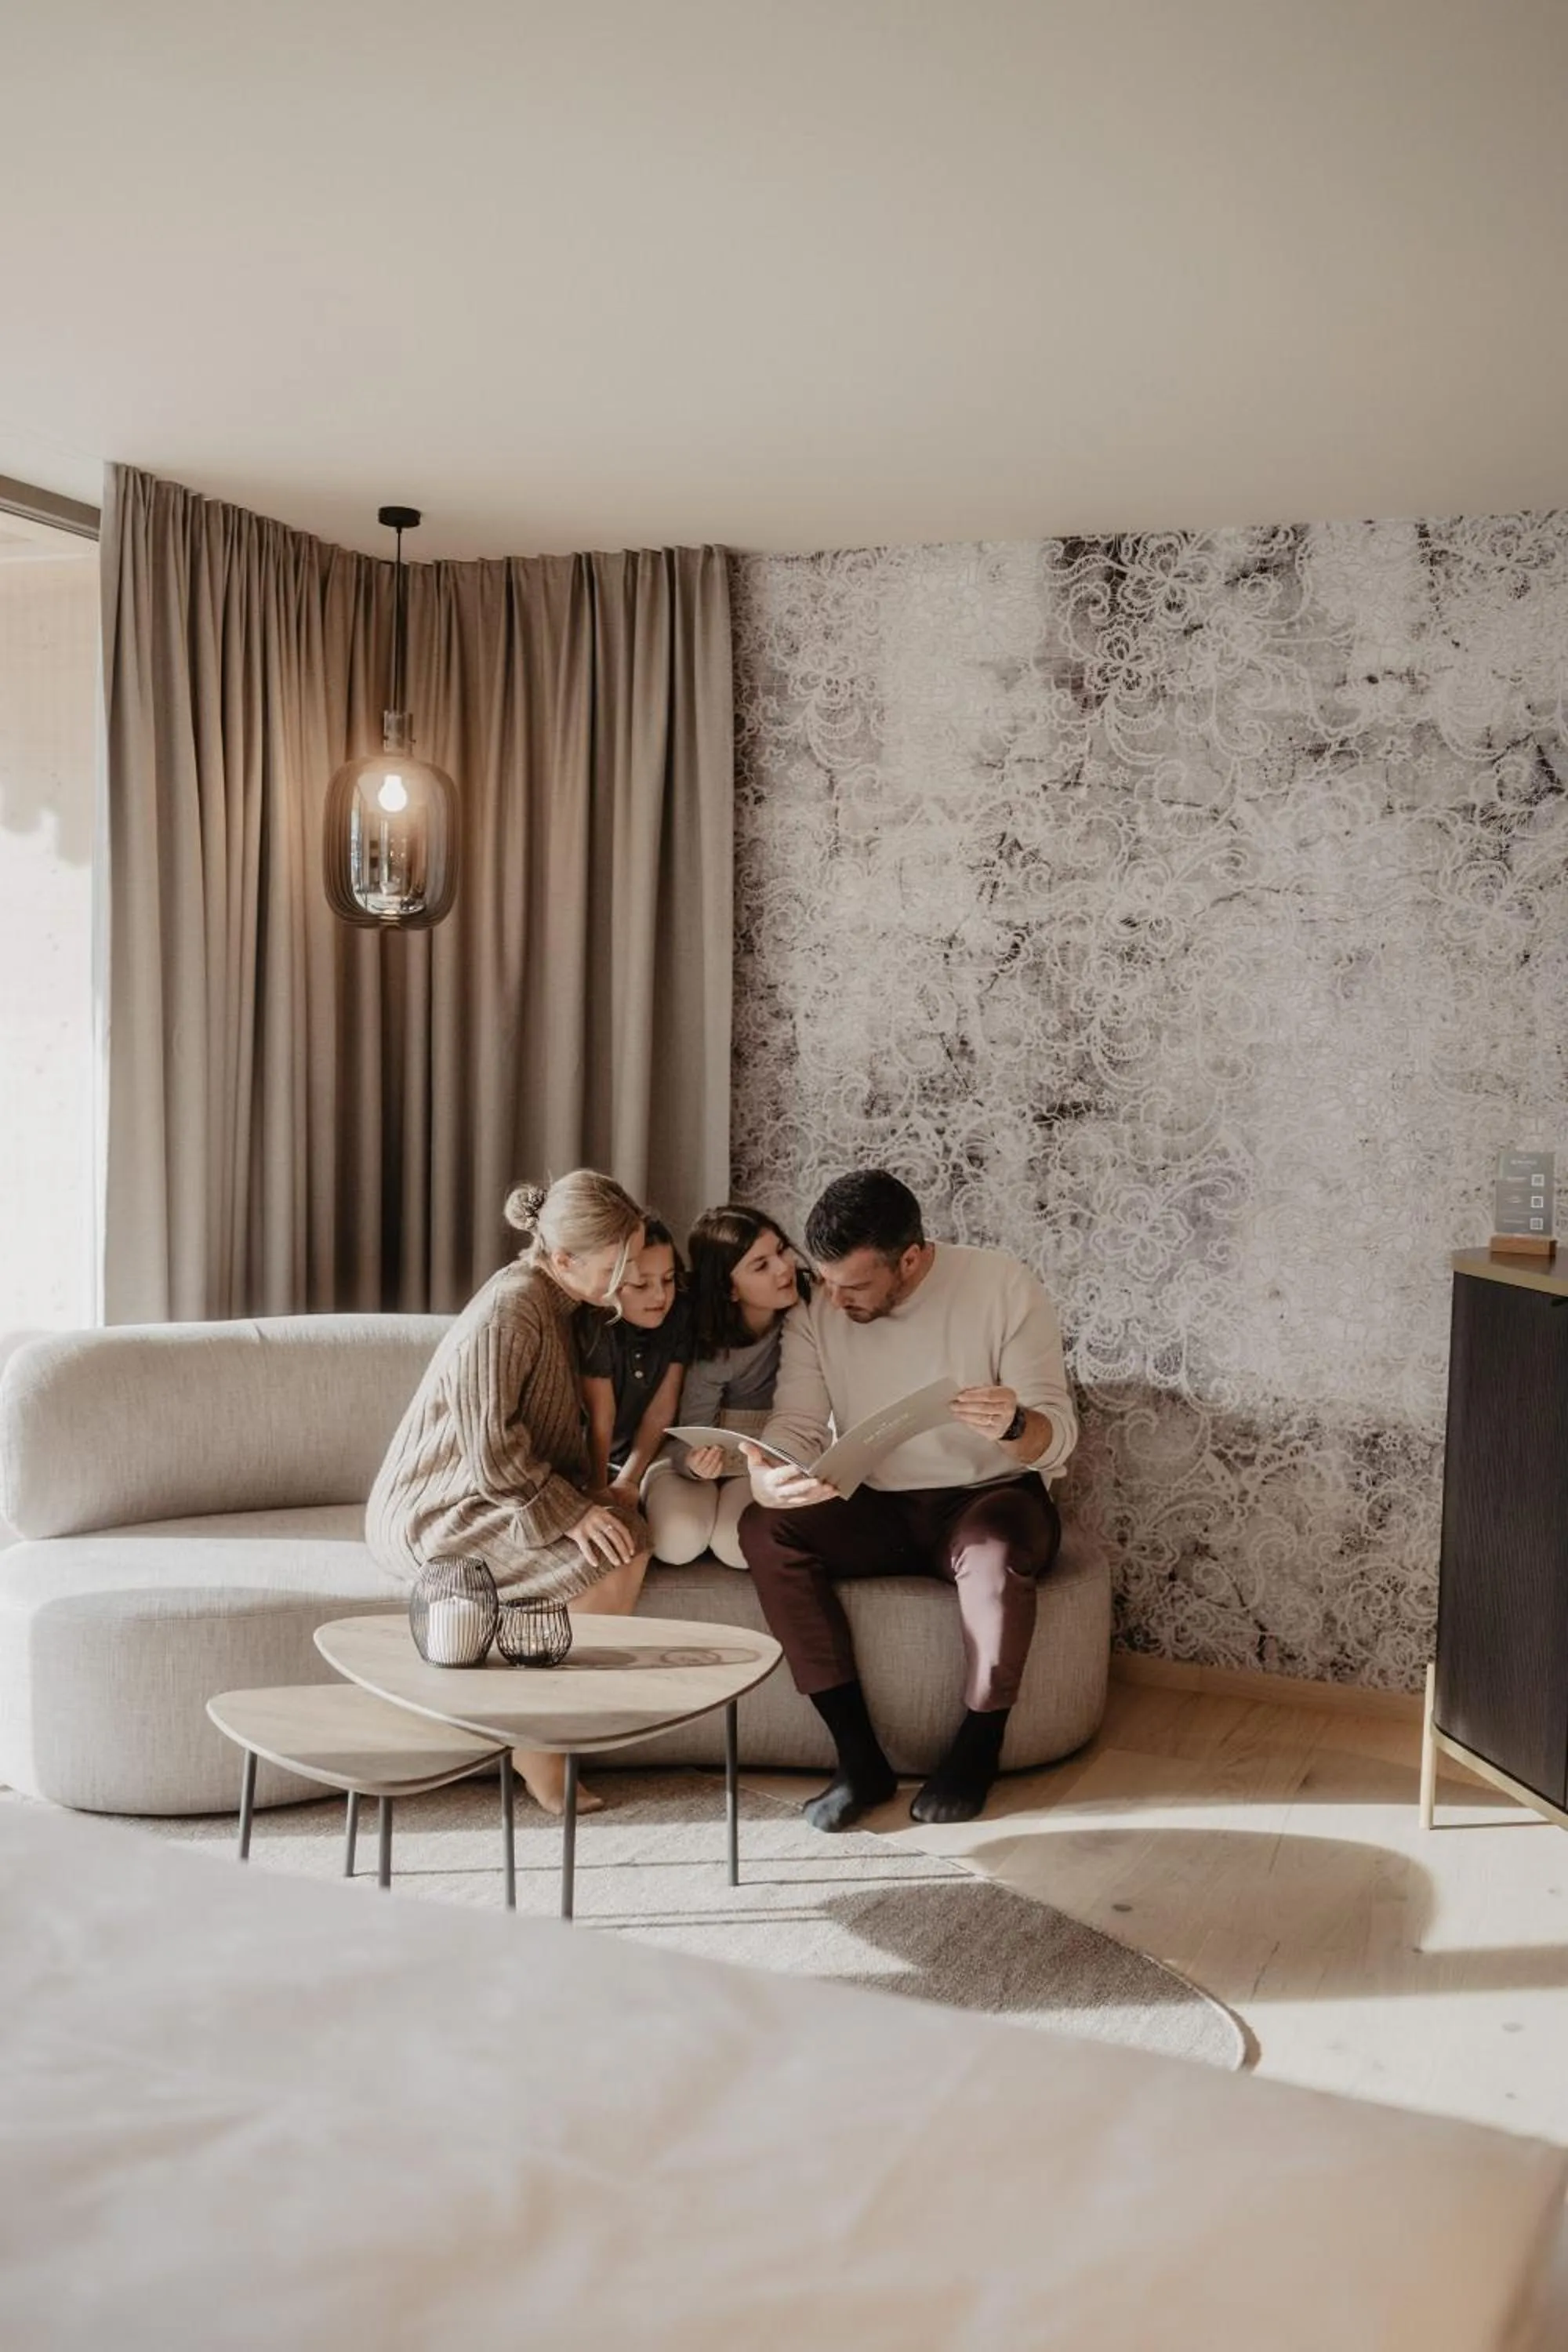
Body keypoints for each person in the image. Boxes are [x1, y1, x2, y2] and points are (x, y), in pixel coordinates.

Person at [738, 1169, 1077, 1832]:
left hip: (988, 1498)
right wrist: (769, 1471)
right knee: (764, 1527)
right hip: (878, 1504)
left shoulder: (1003, 1287)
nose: (834, 1299)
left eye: (855, 1286)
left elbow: (1057, 1438)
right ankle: (858, 1759)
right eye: (825, 1280)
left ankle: (977, 1750)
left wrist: (1015, 1424)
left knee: (995, 1555)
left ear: (913, 1258)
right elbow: (798, 1422)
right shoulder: (818, 1305)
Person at [366, 1169, 652, 1817]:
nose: (631, 1275)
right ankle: (540, 1742)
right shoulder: (511, 1310)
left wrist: (593, 1499)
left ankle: (549, 1727)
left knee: (626, 1536)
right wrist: (573, 1514)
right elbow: (491, 1448)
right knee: (610, 1551)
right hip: (439, 1506)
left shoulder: (563, 1301)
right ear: (563, 1258)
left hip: (500, 1490)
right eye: (620, 1262)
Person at [644, 1204, 808, 1570]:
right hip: (701, 1454)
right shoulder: (713, 1348)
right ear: (730, 1289)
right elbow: (690, 1436)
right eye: (761, 1265)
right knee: (677, 1541)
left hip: (761, 1458)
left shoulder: (807, 1315)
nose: (784, 1268)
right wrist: (693, 1464)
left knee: (738, 1546)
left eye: (781, 1250)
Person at [579, 1215, 693, 1501]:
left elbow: (662, 1409)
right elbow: (601, 1417)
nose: (660, 1296)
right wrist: (599, 1486)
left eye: (668, 1280)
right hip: (592, 1458)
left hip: (649, 1454)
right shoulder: (596, 1322)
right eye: (642, 1285)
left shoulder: (679, 1314)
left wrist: (629, 1480)